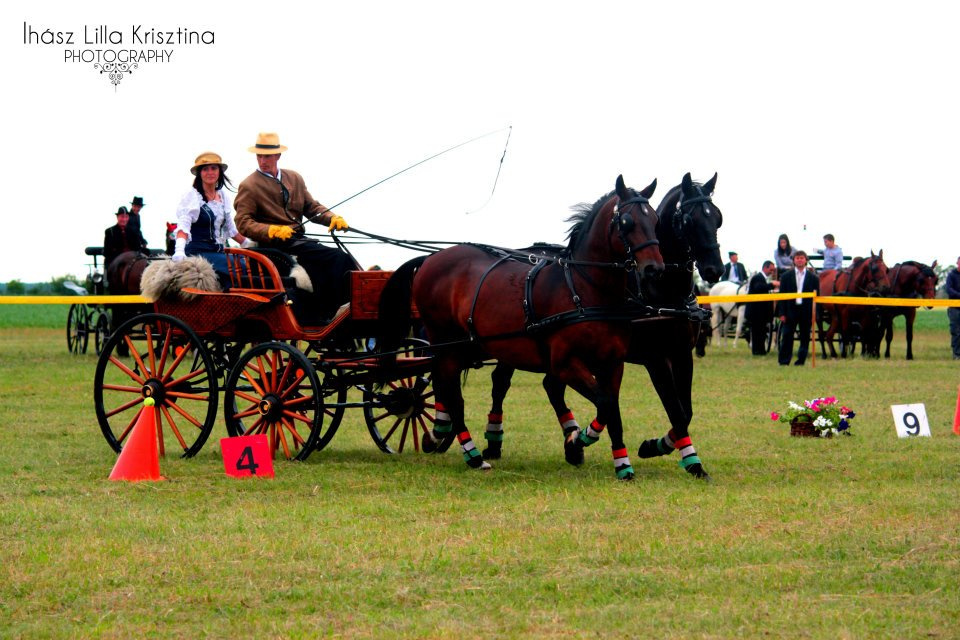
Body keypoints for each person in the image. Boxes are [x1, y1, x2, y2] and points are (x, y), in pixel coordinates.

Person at [234, 132, 355, 320]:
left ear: (278, 156)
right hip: (273, 245)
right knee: (336, 258)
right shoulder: (249, 185)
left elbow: (312, 207)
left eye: (267, 156)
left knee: (343, 259)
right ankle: (334, 312)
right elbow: (243, 222)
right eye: (259, 156)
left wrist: (331, 218)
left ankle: (338, 311)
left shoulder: (294, 178)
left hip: (297, 240)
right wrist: (270, 230)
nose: (262, 160)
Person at [172, 152, 251, 287]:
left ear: (219, 172)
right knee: (240, 266)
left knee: (250, 263)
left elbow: (230, 229)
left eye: (214, 168)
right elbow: (183, 227)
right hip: (198, 253)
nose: (210, 172)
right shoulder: (192, 196)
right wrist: (179, 250)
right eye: (205, 169)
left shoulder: (223, 196)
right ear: (200, 173)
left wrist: (249, 245)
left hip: (217, 251)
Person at [777, 250, 819, 366]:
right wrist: (782, 313)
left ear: (806, 260)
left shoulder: (814, 278)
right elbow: (782, 296)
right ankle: (784, 361)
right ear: (794, 260)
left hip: (806, 312)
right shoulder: (785, 277)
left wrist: (815, 315)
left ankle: (801, 361)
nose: (799, 260)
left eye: (802, 258)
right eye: (797, 258)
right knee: (786, 336)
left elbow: (817, 299)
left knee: (805, 337)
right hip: (790, 311)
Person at [746, 260, 779, 356]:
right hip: (756, 311)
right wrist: (772, 285)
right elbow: (758, 288)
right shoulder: (758, 278)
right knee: (757, 332)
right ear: (765, 268)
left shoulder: (762, 278)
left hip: (761, 312)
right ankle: (757, 351)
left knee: (761, 331)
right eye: (771, 270)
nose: (771, 272)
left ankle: (760, 350)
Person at [947, 256, 960, 360]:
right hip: (954, 307)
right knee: (956, 331)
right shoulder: (951, 275)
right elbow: (949, 289)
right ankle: (956, 354)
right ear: (957, 263)